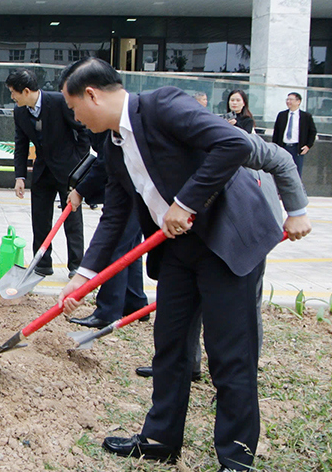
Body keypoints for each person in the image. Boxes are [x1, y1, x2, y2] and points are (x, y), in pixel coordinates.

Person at [56, 58, 308, 472]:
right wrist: (83, 277)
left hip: (226, 242)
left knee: (229, 353)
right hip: (177, 250)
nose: (76, 117)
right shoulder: (113, 145)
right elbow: (116, 215)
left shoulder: (164, 106)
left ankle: (235, 455)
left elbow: (235, 146)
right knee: (169, 347)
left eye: (73, 108)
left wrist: (185, 202)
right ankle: (160, 438)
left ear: (92, 95)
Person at [132, 130, 312, 381]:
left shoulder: (216, 134)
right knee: (187, 301)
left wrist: (297, 211)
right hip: (203, 229)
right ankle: (187, 364)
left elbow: (280, 159)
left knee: (243, 308)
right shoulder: (150, 142)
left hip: (248, 223)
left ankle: (239, 377)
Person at [6, 68, 89, 279]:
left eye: (13, 92)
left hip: (68, 170)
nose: (11, 97)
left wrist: (79, 163)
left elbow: (83, 130)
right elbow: (21, 144)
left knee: (72, 218)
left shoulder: (59, 102)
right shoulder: (20, 112)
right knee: (40, 218)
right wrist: (20, 177)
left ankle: (76, 265)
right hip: (42, 171)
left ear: (26, 91)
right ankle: (43, 264)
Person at [66, 130, 148, 330]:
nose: (78, 118)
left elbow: (104, 164)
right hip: (135, 193)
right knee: (131, 248)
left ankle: (107, 311)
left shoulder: (114, 128)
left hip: (135, 193)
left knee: (116, 247)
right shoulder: (105, 125)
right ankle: (135, 302)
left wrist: (80, 190)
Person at [272, 91, 317, 177]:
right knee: (280, 171)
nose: (288, 101)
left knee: (296, 173)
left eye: (291, 99)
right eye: (287, 99)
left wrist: (308, 146)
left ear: (298, 101)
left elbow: (312, 132)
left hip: (297, 148)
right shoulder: (282, 115)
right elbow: (276, 132)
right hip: (283, 147)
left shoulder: (305, 116)